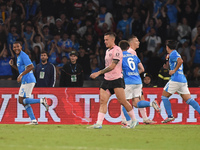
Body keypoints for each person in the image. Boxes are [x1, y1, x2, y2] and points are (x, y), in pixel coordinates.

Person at [87, 32, 138, 129]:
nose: (105, 41)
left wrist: (98, 73)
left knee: (123, 101)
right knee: (103, 101)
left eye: (106, 40)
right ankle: (99, 123)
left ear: (112, 40)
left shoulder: (117, 50)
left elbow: (113, 66)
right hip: (107, 80)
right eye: (104, 39)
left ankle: (134, 120)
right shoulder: (107, 51)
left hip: (116, 79)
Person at [119, 40, 161, 127]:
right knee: (135, 103)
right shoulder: (134, 56)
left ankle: (129, 123)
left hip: (128, 82)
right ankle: (151, 103)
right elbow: (142, 69)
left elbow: (118, 70)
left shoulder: (120, 57)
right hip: (138, 81)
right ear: (128, 47)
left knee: (124, 102)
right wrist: (134, 74)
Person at [161, 40, 200, 123]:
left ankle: (170, 116)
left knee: (164, 97)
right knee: (189, 100)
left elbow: (180, 61)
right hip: (182, 80)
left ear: (167, 47)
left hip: (175, 79)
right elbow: (176, 64)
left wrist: (173, 71)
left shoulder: (173, 54)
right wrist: (168, 68)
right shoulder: (174, 54)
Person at [10, 41, 49, 125]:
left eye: (18, 46)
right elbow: (22, 70)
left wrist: (20, 76)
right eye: (14, 47)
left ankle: (41, 100)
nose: (16, 48)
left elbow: (31, 66)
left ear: (21, 47)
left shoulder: (24, 55)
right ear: (13, 48)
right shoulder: (18, 57)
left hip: (28, 80)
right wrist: (13, 66)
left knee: (22, 100)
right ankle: (34, 120)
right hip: (25, 80)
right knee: (22, 101)